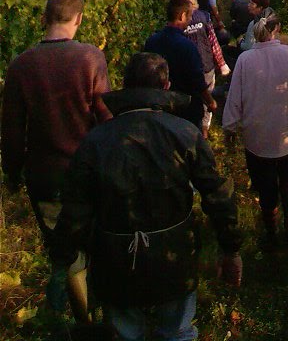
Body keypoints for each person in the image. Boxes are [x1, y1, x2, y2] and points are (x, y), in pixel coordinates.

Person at [50, 52, 242, 341]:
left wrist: (61, 263)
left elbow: (75, 209)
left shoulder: (95, 141)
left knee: (125, 333)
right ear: (165, 88)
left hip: (116, 261)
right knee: (177, 331)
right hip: (175, 258)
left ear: (125, 87)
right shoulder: (185, 134)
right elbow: (216, 195)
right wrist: (231, 250)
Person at [1, 0, 111, 324]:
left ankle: (84, 323)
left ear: (44, 18)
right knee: (98, 242)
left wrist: (12, 174)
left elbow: (12, 132)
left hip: (45, 176)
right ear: (79, 18)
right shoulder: (91, 58)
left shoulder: (21, 65)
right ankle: (106, 314)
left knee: (66, 252)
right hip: (88, 172)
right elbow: (105, 117)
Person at [223, 11, 288, 248]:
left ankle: (270, 225)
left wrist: (230, 127)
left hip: (257, 134)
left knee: (264, 181)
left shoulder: (245, 60)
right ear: (277, 30)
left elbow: (235, 98)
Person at [145, 0, 216, 131]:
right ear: (182, 16)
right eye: (189, 17)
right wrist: (210, 102)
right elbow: (197, 81)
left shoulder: (152, 41)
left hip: (160, 106)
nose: (190, 20)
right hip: (186, 110)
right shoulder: (187, 46)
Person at [179, 0, 230, 138]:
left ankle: (189, 131)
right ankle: (204, 131)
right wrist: (221, 63)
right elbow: (213, 42)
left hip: (186, 70)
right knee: (207, 97)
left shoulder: (177, 22)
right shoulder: (204, 16)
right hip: (206, 65)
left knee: (189, 100)